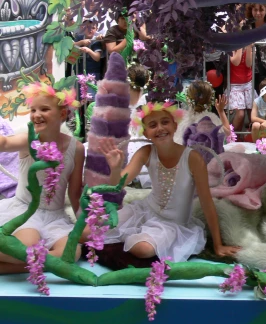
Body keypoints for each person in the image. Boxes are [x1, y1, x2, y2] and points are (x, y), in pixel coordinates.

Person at [96, 102, 241, 262]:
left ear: (174, 125)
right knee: (93, 231)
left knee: (142, 249)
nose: (160, 128)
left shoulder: (193, 158)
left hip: (172, 223)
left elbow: (207, 202)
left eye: (165, 122)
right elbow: (118, 185)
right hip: (145, 210)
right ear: (145, 132)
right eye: (153, 125)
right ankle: (133, 232)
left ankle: (137, 237)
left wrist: (218, 245)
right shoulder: (146, 152)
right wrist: (115, 169)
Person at [0, 83, 84, 274]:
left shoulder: (76, 148)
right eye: (33, 110)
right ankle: (37, 263)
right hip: (26, 211)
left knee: (73, 252)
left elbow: (74, 193)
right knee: (23, 246)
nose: (36, 114)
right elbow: (4, 142)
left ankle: (13, 267)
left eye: (44, 109)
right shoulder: (28, 140)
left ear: (62, 114)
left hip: (55, 216)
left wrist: (83, 222)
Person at [245, 3, 266, 90]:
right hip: (251, 69)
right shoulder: (247, 23)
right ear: (251, 10)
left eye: (261, 10)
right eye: (255, 10)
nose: (258, 13)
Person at [228, 45, 254, 138]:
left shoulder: (249, 46)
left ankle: (252, 139)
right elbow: (235, 62)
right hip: (235, 85)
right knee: (240, 114)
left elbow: (248, 64)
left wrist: (249, 48)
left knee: (252, 114)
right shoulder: (230, 47)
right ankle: (233, 138)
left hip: (248, 84)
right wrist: (240, 45)